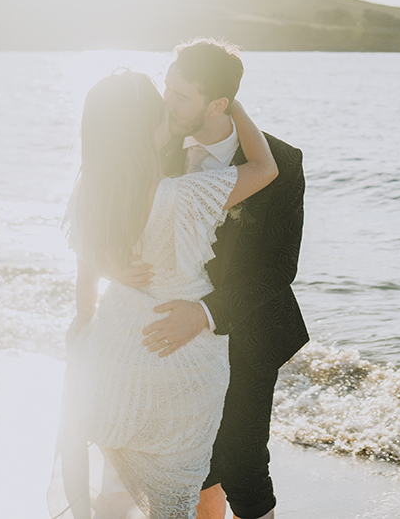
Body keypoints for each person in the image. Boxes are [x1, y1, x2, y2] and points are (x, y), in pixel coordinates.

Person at [49, 69, 278, 519]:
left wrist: (86, 323)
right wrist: (233, 104)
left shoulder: (89, 195)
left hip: (115, 350)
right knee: (173, 495)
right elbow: (265, 168)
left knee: (114, 487)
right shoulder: (181, 196)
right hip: (182, 360)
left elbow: (85, 284)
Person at [120, 39, 308, 519]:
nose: (167, 102)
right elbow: (115, 224)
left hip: (244, 328)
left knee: (243, 461)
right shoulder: (152, 148)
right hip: (168, 333)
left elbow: (279, 268)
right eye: (168, 88)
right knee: (191, 460)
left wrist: (204, 313)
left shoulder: (281, 163)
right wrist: (116, 266)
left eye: (181, 96)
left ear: (218, 104)